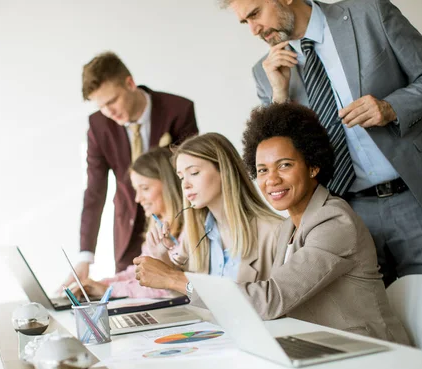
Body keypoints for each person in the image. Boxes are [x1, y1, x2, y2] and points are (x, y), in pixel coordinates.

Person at [222, 0, 422, 350]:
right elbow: (274, 148)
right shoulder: (268, 70)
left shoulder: (370, 14)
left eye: (255, 14)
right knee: (366, 322)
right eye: (244, 22)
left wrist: (391, 107)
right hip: (347, 210)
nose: (253, 29)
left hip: (415, 195)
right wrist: (278, 92)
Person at [240, 102, 410, 344]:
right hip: (321, 347)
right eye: (263, 170)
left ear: (313, 166)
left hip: (369, 353)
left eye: (284, 165)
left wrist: (182, 283)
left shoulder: (334, 221)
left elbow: (272, 299)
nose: (272, 179)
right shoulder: (286, 228)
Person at [61, 51, 198, 289]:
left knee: (169, 291)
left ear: (129, 83)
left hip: (175, 226)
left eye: (112, 101)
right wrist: (86, 256)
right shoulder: (99, 125)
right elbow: (95, 189)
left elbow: (193, 173)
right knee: (129, 290)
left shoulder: (178, 110)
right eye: (101, 106)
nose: (109, 112)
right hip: (128, 228)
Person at [132, 133, 284, 299]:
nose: (186, 185)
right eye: (181, 177)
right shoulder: (195, 236)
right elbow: (187, 295)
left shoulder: (275, 233)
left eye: (194, 173)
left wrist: (171, 277)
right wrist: (162, 257)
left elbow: (272, 302)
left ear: (224, 171)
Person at [69, 147, 184, 300]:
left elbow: (161, 288)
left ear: (169, 185)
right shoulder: (158, 226)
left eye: (145, 188)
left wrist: (108, 289)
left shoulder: (186, 231)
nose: (138, 199)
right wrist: (97, 284)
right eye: (136, 190)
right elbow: (138, 272)